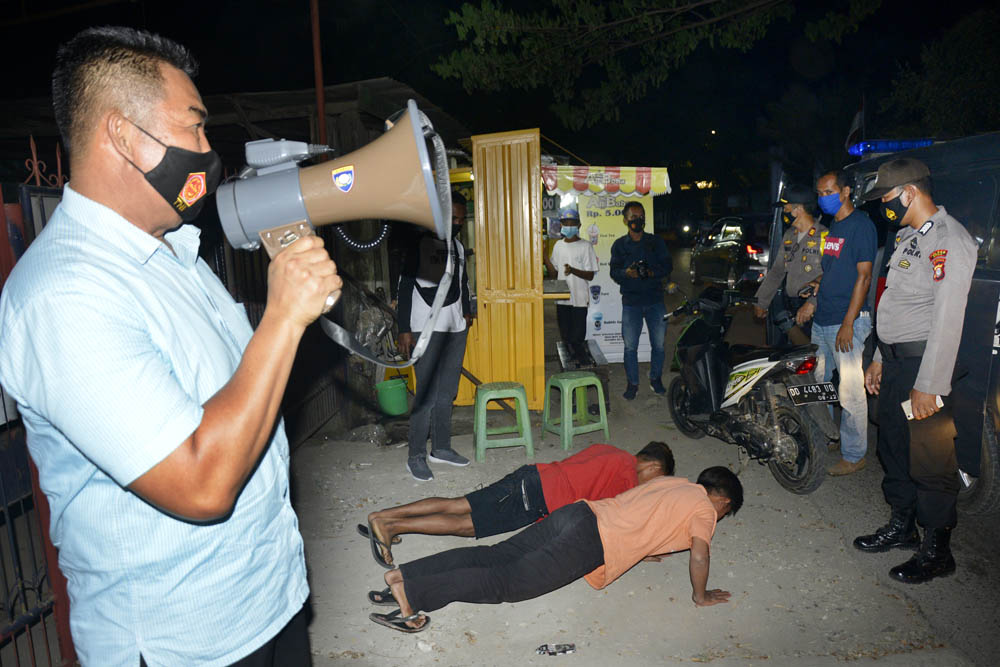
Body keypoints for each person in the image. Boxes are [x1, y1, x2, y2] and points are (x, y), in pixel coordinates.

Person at [0, 27, 342, 665]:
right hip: (183, 644)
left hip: (266, 606)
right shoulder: (63, 295)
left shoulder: (176, 253)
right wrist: (283, 318)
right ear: (124, 137)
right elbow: (201, 482)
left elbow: (235, 400)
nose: (209, 151)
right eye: (194, 127)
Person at [368, 466, 744, 632]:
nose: (720, 518)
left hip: (580, 513)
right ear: (723, 501)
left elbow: (637, 509)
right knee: (507, 583)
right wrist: (700, 595)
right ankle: (411, 597)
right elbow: (699, 553)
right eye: (725, 512)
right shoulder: (704, 510)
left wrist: (643, 549)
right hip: (589, 541)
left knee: (495, 555)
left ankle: (404, 576)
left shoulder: (674, 484)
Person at [856, 158, 977, 584]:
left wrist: (930, 384)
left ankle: (938, 551)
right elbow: (893, 304)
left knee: (930, 459)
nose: (882, 208)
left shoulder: (948, 240)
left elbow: (948, 317)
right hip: (894, 361)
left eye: (886, 199)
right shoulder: (908, 237)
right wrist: (877, 357)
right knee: (893, 448)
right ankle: (902, 527)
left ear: (910, 193)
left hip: (925, 365)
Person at [361, 441, 675, 570]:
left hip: (534, 478)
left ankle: (382, 516)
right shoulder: (626, 475)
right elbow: (610, 519)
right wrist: (638, 550)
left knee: (459, 505)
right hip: (535, 497)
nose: (647, 485)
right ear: (653, 468)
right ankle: (390, 526)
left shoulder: (612, 451)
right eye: (655, 479)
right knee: (465, 524)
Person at [798, 170, 877, 476]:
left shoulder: (861, 226)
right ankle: (831, 435)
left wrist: (849, 321)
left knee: (850, 391)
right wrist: (812, 299)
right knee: (818, 385)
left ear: (845, 191)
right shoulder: (833, 228)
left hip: (847, 321)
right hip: (824, 318)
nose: (823, 198)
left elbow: (864, 276)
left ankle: (855, 454)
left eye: (828, 192)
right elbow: (828, 273)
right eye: (819, 193)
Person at [396, 192, 474, 481]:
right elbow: (404, 285)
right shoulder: (418, 244)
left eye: (461, 219)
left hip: (455, 326)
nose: (457, 223)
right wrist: (403, 328)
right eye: (452, 218)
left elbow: (463, 281)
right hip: (424, 326)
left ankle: (441, 448)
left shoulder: (458, 247)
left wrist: (467, 311)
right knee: (426, 394)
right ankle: (415, 455)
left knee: (447, 392)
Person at [609, 201, 672, 400]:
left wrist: (652, 272)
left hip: (655, 300)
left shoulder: (656, 242)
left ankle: (655, 379)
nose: (638, 220)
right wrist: (627, 273)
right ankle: (633, 383)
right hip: (631, 303)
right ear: (625, 220)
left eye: (641, 216)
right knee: (630, 347)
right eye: (633, 217)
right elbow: (614, 271)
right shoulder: (619, 245)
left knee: (659, 345)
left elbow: (667, 266)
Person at [753, 185, 827, 343]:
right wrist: (762, 301)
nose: (784, 212)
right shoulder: (789, 236)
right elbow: (777, 271)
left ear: (797, 209)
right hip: (792, 306)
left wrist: (811, 303)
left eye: (785, 208)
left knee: (816, 359)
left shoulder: (825, 236)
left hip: (816, 309)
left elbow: (832, 275)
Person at [545, 207, 599, 366]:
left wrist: (573, 270)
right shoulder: (558, 246)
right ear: (561, 225)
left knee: (577, 337)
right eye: (565, 222)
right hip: (562, 299)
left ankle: (583, 365)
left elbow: (590, 275)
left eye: (572, 223)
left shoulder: (586, 246)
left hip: (579, 299)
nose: (568, 225)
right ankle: (571, 368)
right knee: (566, 338)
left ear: (579, 225)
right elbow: (554, 274)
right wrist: (544, 256)